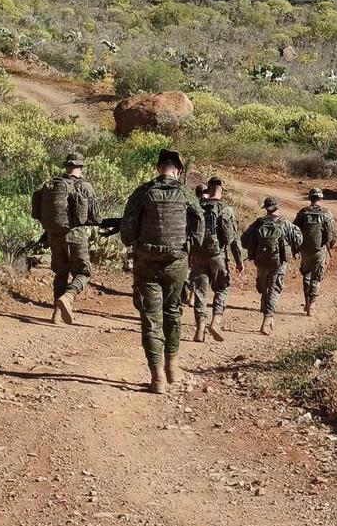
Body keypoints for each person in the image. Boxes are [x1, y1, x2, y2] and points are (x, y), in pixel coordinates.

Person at [117, 148, 203, 393]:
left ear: (158, 168)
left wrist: (136, 243)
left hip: (146, 262)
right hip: (176, 263)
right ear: (179, 171)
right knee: (173, 311)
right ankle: (173, 368)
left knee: (150, 318)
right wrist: (187, 250)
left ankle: (157, 380)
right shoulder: (186, 193)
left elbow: (127, 232)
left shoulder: (143, 192)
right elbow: (199, 227)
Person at [32, 150, 99, 325]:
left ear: (66, 166)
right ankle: (68, 297)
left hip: (54, 236)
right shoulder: (84, 186)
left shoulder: (51, 185)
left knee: (61, 273)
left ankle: (56, 314)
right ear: (81, 167)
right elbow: (96, 217)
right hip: (76, 235)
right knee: (84, 272)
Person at [189, 176, 243, 342]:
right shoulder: (226, 210)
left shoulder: (196, 207)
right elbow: (232, 239)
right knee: (222, 288)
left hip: (198, 255)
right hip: (217, 255)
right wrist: (239, 260)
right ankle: (216, 322)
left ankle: (200, 328)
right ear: (223, 192)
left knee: (199, 292)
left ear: (208, 189)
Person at [239, 196, 302, 336]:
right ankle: (267, 320)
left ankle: (264, 300)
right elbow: (298, 240)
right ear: (278, 207)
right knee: (274, 288)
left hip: (261, 262)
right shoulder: (286, 224)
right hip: (278, 263)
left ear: (266, 208)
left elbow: (244, 240)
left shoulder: (258, 223)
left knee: (264, 286)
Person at [293, 188, 337, 316]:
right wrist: (328, 245)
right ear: (321, 198)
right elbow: (332, 233)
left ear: (310, 198)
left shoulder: (303, 212)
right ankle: (312, 305)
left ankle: (306, 302)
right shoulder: (326, 214)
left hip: (304, 249)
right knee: (316, 278)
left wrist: (297, 248)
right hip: (319, 249)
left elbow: (295, 230)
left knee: (306, 275)